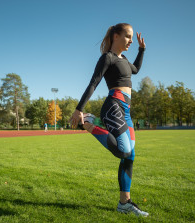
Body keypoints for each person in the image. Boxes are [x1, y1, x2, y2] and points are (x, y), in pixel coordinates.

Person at [69, 23, 148, 216]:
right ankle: (88, 122)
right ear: (116, 36)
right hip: (113, 106)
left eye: (131, 37)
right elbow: (94, 82)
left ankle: (125, 203)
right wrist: (78, 109)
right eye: (128, 36)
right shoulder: (108, 58)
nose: (130, 40)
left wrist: (142, 49)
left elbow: (136, 69)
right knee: (124, 150)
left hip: (126, 111)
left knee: (130, 156)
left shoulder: (125, 59)